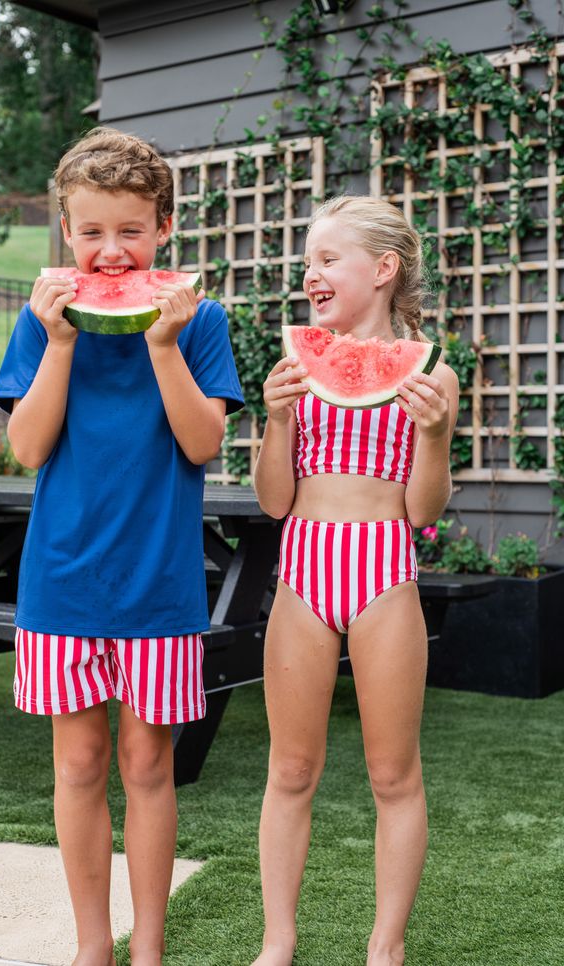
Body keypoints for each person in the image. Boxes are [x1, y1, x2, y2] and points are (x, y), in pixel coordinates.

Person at [0, 126, 243, 966]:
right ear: (66, 230)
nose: (110, 253)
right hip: (62, 583)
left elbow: (202, 442)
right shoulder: (41, 325)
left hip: (159, 586)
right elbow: (29, 447)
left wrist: (163, 346)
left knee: (147, 764)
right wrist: (61, 342)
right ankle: (92, 947)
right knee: (78, 764)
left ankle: (150, 951)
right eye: (91, 231)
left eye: (130, 231)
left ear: (164, 228)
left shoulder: (199, 322)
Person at [252, 195, 459, 966]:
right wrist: (276, 420)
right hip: (304, 569)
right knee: (290, 768)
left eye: (328, 259)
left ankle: (386, 946)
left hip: (384, 573)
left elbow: (422, 510)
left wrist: (434, 434)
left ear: (383, 268)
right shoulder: (294, 370)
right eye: (308, 261)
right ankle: (278, 939)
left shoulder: (433, 373)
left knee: (393, 774)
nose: (311, 274)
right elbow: (275, 501)